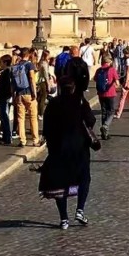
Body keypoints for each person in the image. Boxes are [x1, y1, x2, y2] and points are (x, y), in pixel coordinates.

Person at [39, 63, 98, 230]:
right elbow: (91, 121)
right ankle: (80, 209)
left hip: (58, 149)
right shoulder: (79, 101)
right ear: (73, 88)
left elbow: (47, 128)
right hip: (79, 147)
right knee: (85, 178)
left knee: (60, 184)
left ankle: (63, 219)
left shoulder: (53, 104)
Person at [12, 48, 39, 146]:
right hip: (29, 93)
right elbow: (31, 78)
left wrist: (13, 95)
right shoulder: (29, 65)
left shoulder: (15, 66)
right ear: (28, 55)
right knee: (33, 117)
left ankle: (22, 140)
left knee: (20, 118)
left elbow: (13, 83)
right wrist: (34, 92)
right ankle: (35, 140)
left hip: (19, 94)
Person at [94, 54, 118, 142]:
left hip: (101, 94)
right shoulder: (112, 70)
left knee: (103, 112)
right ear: (109, 61)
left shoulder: (98, 70)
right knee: (111, 111)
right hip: (110, 93)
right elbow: (117, 82)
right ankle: (106, 126)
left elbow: (95, 79)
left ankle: (105, 134)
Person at [0, 54, 16, 145]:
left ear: (5, 62)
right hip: (4, 97)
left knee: (5, 118)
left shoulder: (7, 72)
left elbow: (5, 87)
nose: (0, 64)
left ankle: (7, 138)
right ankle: (5, 137)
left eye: (1, 62)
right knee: (3, 118)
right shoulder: (8, 71)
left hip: (4, 97)